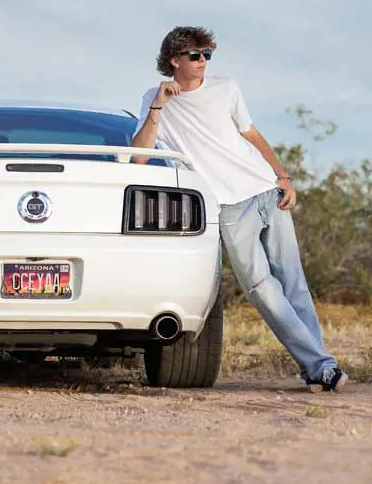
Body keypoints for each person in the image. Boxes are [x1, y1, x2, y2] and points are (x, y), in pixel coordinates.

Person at [131, 26, 347, 393]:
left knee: (293, 282)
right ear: (174, 60)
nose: (203, 63)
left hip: (265, 190)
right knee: (262, 288)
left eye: (207, 55)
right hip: (228, 207)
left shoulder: (226, 88)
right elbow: (140, 155)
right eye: (196, 56)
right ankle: (320, 365)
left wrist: (283, 176)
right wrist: (158, 106)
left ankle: (319, 366)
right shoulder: (155, 99)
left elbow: (252, 134)